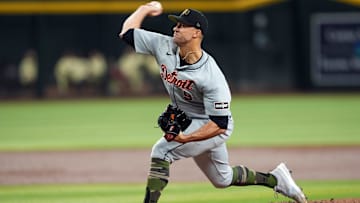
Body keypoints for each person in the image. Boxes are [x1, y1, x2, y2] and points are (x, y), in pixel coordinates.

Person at [119, 2, 307, 203]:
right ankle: (276, 179)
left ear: (196, 33)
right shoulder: (163, 45)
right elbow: (127, 33)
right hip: (190, 119)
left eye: (182, 25)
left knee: (161, 151)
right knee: (222, 178)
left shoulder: (211, 76)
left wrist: (186, 139)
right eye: (176, 24)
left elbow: (219, 124)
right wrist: (145, 9)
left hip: (213, 125)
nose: (176, 28)